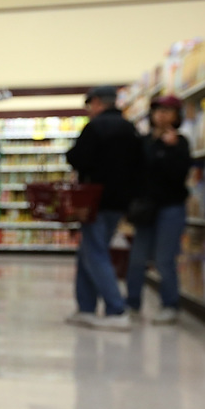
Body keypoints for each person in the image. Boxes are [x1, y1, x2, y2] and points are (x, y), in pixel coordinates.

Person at [64, 85, 142, 330]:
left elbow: (77, 158)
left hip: (94, 200)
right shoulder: (131, 129)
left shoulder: (95, 127)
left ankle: (116, 309)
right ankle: (86, 308)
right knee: (89, 250)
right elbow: (141, 165)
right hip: (119, 203)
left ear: (97, 102)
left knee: (95, 252)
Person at [125, 95, 192, 324]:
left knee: (165, 259)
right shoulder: (144, 142)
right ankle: (132, 304)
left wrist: (170, 150)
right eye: (158, 111)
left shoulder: (180, 143)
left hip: (170, 208)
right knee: (137, 258)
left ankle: (170, 305)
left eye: (167, 111)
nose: (161, 115)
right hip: (146, 209)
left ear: (176, 116)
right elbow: (135, 173)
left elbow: (179, 175)